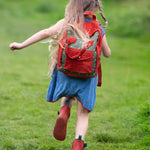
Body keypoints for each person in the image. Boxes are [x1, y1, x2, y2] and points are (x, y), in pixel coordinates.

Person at [9, 0, 111, 149]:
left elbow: (45, 33)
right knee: (83, 113)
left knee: (68, 95)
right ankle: (78, 141)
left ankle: (64, 110)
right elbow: (107, 53)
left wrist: (21, 45)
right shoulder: (98, 28)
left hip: (66, 72)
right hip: (88, 77)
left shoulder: (67, 22)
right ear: (95, 7)